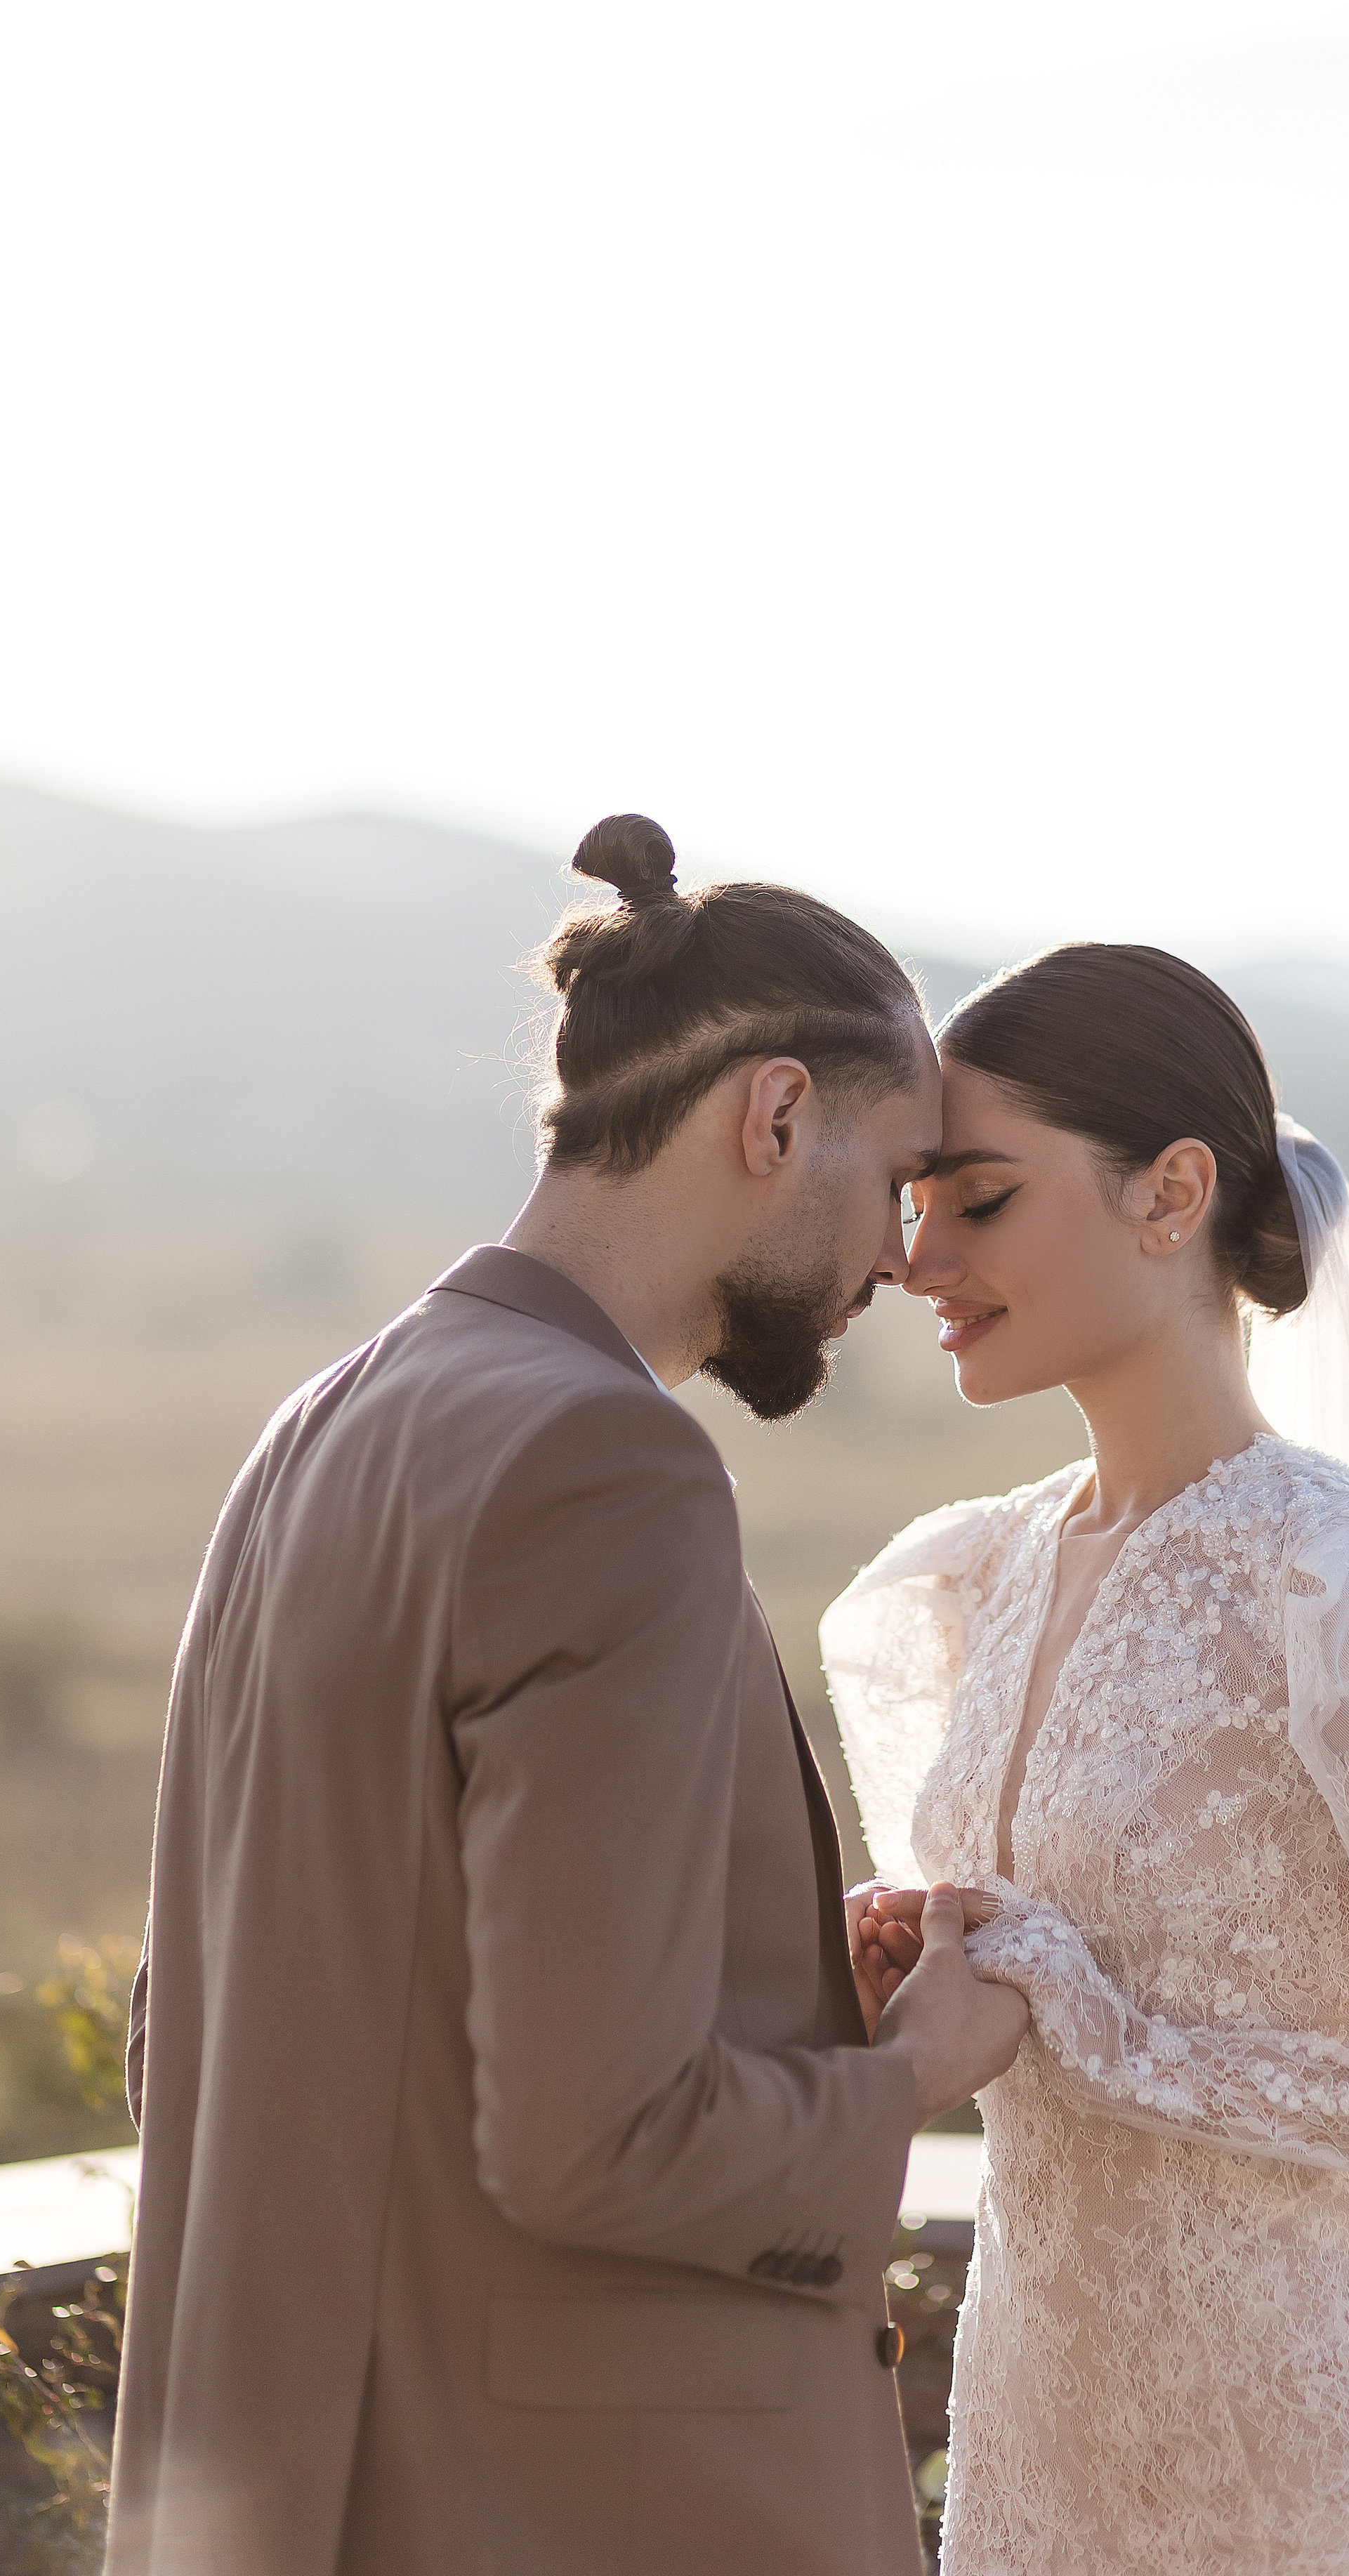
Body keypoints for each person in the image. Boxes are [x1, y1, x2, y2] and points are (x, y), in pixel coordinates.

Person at [107, 814, 1028, 2576]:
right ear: (773, 1119)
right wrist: (909, 2067)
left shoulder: (323, 1424)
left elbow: (216, 2024)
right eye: (899, 1178)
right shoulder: (611, 1468)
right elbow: (593, 2143)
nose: (906, 1259)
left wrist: (764, 1968)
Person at [824, 942, 1349, 2576]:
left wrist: (1127, 2044)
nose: (916, 1254)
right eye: (918, 1199)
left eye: (982, 1199)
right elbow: (1020, 1981)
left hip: (1302, 2453)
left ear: (1172, 1195)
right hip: (1034, 2443)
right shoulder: (959, 1584)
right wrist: (909, 1948)